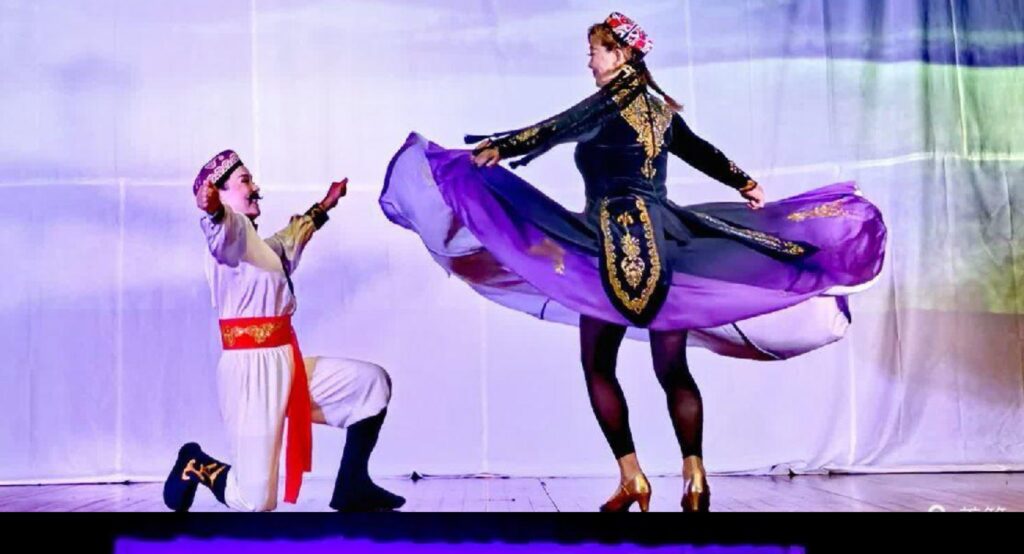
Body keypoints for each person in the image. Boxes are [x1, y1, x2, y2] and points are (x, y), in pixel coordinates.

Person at [380, 12, 885, 511]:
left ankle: (633, 477)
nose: (589, 62)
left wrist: (500, 146)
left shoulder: (607, 104)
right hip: (667, 241)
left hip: (609, 243)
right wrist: (745, 182)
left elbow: (554, 128)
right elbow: (701, 150)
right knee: (673, 368)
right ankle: (695, 478)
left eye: (595, 52)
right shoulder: (658, 109)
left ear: (621, 55)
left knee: (598, 364)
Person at [164, 150, 402, 512]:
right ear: (222, 193)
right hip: (250, 375)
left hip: (284, 364)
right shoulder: (231, 234)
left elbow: (291, 238)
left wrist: (326, 204)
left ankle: (352, 485)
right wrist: (213, 210)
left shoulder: (261, 248)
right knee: (256, 500)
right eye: (244, 181)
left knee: (370, 384)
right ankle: (195, 462)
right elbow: (220, 231)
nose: (254, 187)